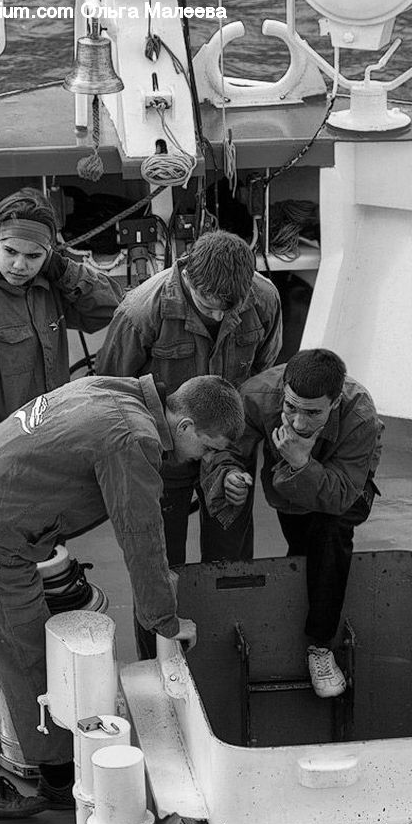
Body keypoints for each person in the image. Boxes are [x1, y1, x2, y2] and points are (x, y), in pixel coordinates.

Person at [0, 373, 244, 819]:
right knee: (35, 659)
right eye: (208, 448)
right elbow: (141, 536)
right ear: (187, 426)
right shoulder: (133, 438)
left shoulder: (113, 389)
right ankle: (61, 780)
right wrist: (166, 620)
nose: (205, 458)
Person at [96, 229, 282, 571]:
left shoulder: (264, 298)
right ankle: (164, 625)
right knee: (162, 565)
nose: (216, 317)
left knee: (232, 559)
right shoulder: (140, 312)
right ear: (187, 277)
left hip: (229, 445)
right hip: (164, 454)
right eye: (207, 305)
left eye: (228, 309)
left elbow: (262, 372)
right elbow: (111, 393)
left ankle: (228, 621)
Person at [203, 349, 384, 698]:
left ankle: (319, 645)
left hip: (345, 486)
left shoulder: (360, 415)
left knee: (331, 532)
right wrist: (229, 475)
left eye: (313, 412)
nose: (299, 423)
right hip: (287, 490)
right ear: (282, 390)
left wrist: (301, 461)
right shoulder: (256, 397)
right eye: (291, 408)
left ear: (335, 402)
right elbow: (225, 447)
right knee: (304, 544)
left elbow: (342, 495)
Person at [0, 187, 123, 452]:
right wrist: (0, 454)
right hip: (9, 457)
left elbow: (111, 307)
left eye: (33, 256)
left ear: (48, 254)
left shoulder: (49, 285)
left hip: (56, 440)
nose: (20, 265)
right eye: (10, 251)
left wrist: (65, 270)